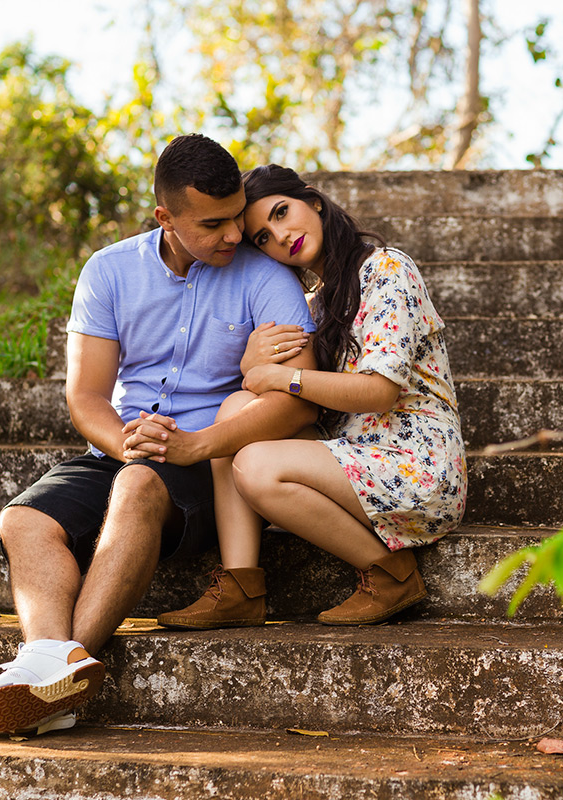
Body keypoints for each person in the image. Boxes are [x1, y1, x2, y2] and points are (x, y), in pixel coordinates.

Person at [0, 136, 318, 735]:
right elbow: (86, 397)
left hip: (212, 464)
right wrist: (127, 440)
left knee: (136, 487)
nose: (235, 233)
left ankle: (49, 669)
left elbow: (294, 404)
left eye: (238, 216)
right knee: (22, 519)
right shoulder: (109, 271)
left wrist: (196, 444)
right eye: (213, 223)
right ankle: (55, 665)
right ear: (165, 218)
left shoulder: (266, 278)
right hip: (125, 446)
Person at [157, 164, 466, 630]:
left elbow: (379, 391)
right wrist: (250, 367)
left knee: (257, 467)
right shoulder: (314, 305)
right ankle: (241, 585)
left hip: (417, 464)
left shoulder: (385, 268)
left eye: (282, 213)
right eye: (262, 237)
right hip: (356, 454)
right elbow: (265, 390)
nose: (281, 236)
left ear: (314, 203)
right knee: (237, 410)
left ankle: (391, 575)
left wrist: (282, 379)